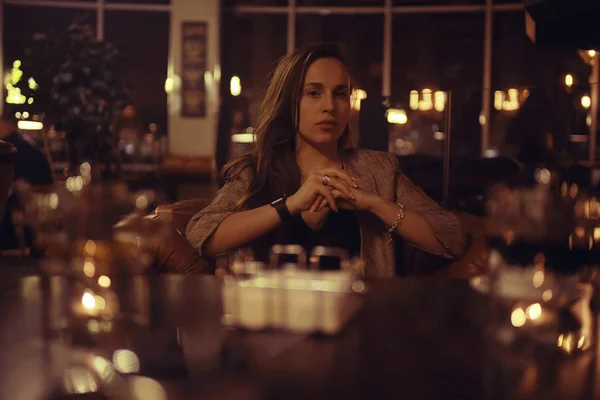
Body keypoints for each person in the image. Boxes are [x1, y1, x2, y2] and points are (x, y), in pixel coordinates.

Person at [186, 43, 467, 277]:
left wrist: (373, 203)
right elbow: (201, 234)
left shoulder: (378, 169)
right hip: (269, 319)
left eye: (340, 94)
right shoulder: (257, 170)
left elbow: (452, 238)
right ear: (289, 103)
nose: (329, 107)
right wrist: (291, 204)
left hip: (357, 322)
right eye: (313, 93)